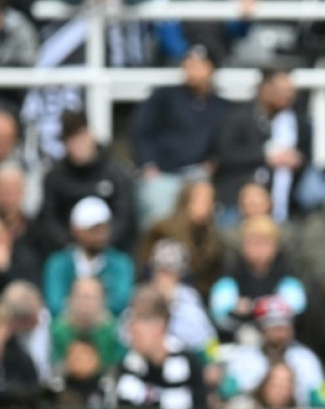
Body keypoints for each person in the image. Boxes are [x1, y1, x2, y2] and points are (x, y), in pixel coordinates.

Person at [130, 44, 229, 229]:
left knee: (205, 208)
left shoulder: (221, 106)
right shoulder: (164, 96)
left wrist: (215, 162)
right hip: (163, 174)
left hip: (200, 175)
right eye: (188, 65)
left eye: (198, 65)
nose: (191, 70)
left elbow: (225, 142)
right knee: (157, 211)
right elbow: (141, 131)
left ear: (211, 69)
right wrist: (148, 164)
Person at [211, 67, 308, 225]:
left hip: (282, 202)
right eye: (282, 90)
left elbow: (305, 156)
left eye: (291, 91)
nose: (288, 96)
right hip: (236, 199)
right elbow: (224, 154)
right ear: (265, 88)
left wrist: (297, 160)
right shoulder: (237, 116)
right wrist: (265, 157)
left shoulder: (295, 122)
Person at [37, 111, 137, 256]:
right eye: (71, 141)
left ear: (91, 135)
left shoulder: (114, 172)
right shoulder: (55, 178)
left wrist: (101, 244)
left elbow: (125, 215)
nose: (77, 146)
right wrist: (71, 247)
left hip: (109, 252)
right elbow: (49, 219)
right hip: (68, 252)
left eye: (81, 137)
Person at [115, 286, 207, 409]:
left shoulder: (188, 363)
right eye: (132, 319)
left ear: (161, 324)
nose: (133, 327)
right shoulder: (127, 367)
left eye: (142, 319)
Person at [42, 197, 134, 317]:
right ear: (76, 230)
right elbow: (54, 302)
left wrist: (89, 313)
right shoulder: (58, 263)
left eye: (103, 228)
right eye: (93, 229)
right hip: (66, 326)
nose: (100, 235)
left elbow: (120, 301)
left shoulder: (121, 263)